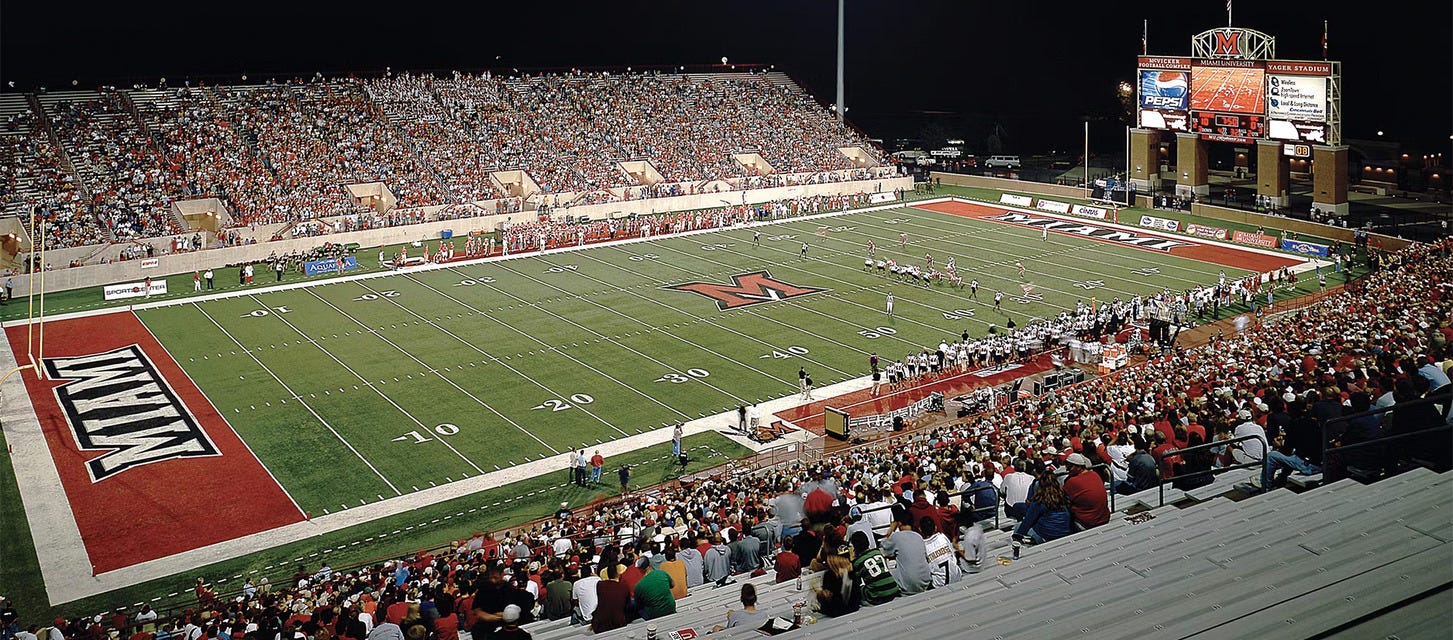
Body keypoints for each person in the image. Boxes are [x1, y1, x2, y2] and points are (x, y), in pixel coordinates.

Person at [1012, 469, 1073, 544]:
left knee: (1018, 526)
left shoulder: (1039, 500)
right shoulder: (1063, 497)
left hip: (1046, 535)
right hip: (1064, 532)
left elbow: (1027, 521)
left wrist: (1017, 536)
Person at [880, 521, 932, 595]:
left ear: (899, 523)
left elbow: (883, 550)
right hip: (925, 581)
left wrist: (890, 531)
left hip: (909, 584)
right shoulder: (918, 536)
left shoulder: (896, 536)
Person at [1062, 453, 1110, 530]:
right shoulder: (1095, 474)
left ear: (1079, 467)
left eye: (1070, 466)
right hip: (1104, 518)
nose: (1067, 469)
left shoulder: (1072, 481)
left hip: (1087, 522)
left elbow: (1062, 499)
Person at [849, 531, 899, 605]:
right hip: (893, 588)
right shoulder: (877, 552)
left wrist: (851, 559)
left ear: (855, 547)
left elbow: (857, 582)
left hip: (877, 596)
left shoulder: (858, 562)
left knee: (861, 588)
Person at [813, 549, 862, 617]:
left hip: (837, 612)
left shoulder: (829, 575)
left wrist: (821, 594)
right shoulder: (852, 571)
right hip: (854, 609)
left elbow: (829, 602)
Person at [591, 565, 629, 633]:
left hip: (601, 622)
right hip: (618, 622)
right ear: (617, 574)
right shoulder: (623, 587)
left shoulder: (600, 585)